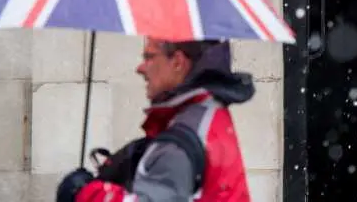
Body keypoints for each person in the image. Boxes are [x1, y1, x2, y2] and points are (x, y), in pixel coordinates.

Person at [56, 39, 254, 202]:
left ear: (177, 62)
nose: (140, 68)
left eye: (149, 57)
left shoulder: (182, 138)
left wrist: (86, 194)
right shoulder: (207, 113)